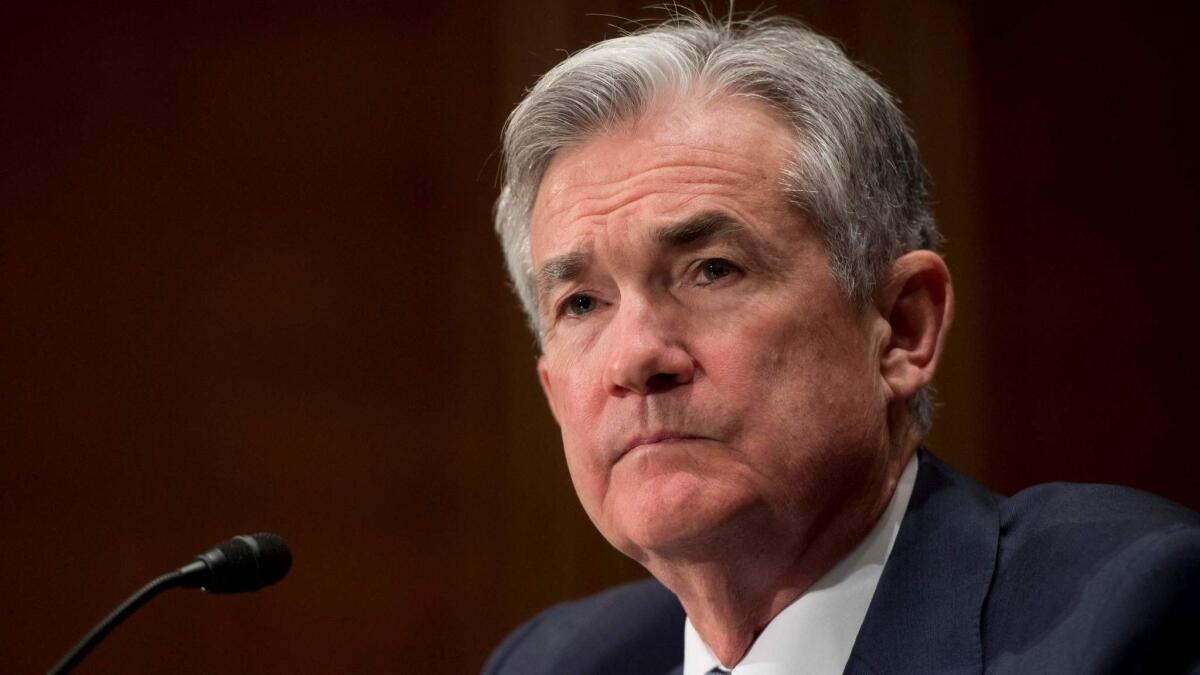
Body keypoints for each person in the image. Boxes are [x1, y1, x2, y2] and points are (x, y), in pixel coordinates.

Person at [483, 13, 1199, 675]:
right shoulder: (555, 662)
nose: (635, 357)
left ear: (902, 328)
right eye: (581, 303)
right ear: (552, 391)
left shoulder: (1132, 616)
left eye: (712, 270)